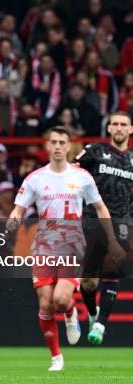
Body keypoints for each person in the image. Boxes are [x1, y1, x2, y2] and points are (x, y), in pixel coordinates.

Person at [6, 126, 122, 372]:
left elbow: (100, 207)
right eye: (54, 142)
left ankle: (69, 312)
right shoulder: (35, 178)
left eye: (62, 142)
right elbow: (19, 207)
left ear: (69, 147)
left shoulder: (81, 177)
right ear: (47, 145)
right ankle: (56, 358)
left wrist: (111, 239)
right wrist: (14, 217)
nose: (57, 146)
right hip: (43, 248)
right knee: (45, 305)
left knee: (60, 299)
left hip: (73, 247)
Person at [73, 111, 131, 344]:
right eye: (114, 124)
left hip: (121, 221)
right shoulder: (95, 150)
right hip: (91, 220)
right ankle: (93, 312)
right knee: (88, 283)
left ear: (130, 130)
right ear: (109, 129)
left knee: (113, 265)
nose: (118, 127)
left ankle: (99, 325)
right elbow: (71, 171)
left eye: (123, 124)